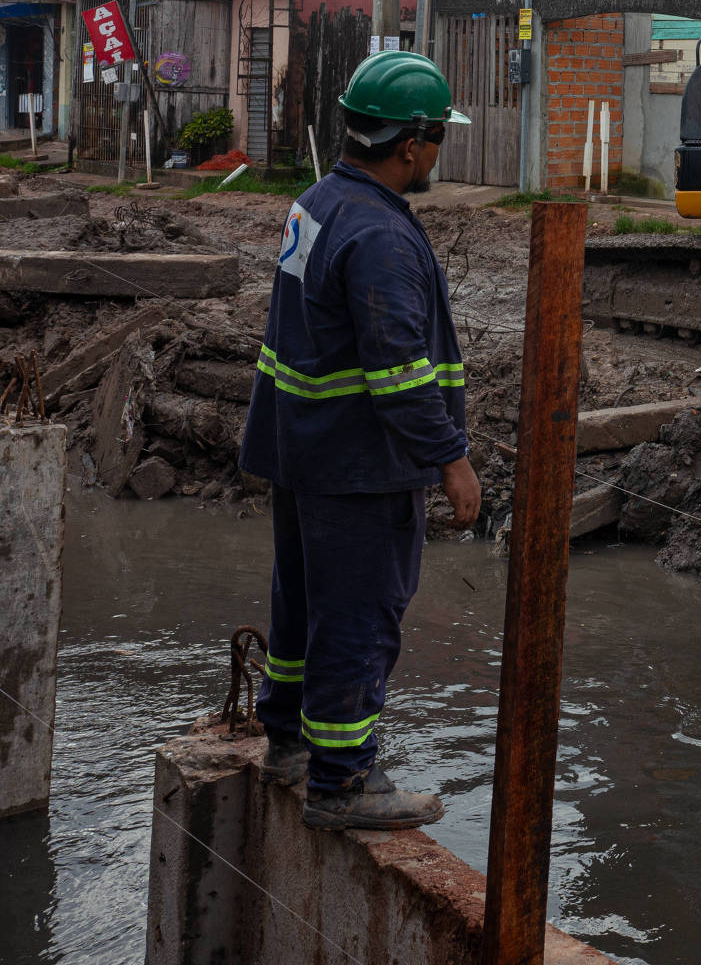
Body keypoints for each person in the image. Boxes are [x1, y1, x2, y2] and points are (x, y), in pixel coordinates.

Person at [240, 50, 481, 830]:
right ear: (409, 144)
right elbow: (401, 374)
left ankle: (287, 740)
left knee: (303, 598)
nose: (439, 151)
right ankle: (340, 780)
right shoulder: (381, 238)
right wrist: (452, 461)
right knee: (360, 615)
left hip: (298, 447)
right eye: (438, 136)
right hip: (355, 464)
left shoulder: (315, 204)